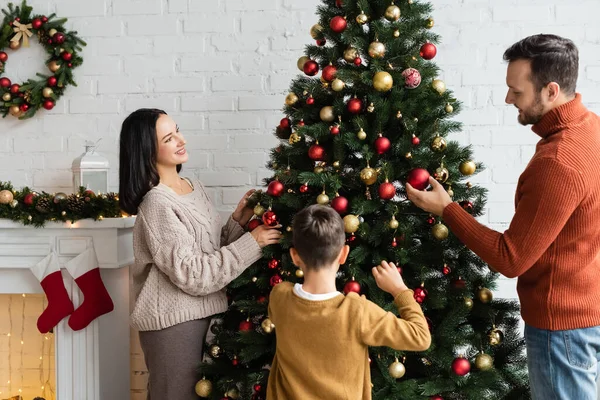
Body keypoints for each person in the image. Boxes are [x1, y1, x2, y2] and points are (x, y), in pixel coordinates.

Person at [406, 34, 600, 399]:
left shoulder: (559, 162)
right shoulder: (592, 127)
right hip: (586, 311)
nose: (509, 98)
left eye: (517, 91)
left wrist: (448, 210)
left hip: (562, 329)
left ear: (551, 91)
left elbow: (511, 258)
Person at [118, 108, 282, 400]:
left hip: (208, 314)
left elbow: (209, 253)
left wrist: (237, 222)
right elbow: (193, 274)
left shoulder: (193, 187)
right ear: (147, 150)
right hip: (174, 324)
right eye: (169, 138)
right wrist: (253, 243)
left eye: (177, 130)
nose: (180, 140)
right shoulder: (156, 203)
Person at [266, 205, 431, 400]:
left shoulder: (279, 296)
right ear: (344, 254)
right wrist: (399, 290)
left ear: (295, 256)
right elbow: (420, 337)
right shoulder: (357, 312)